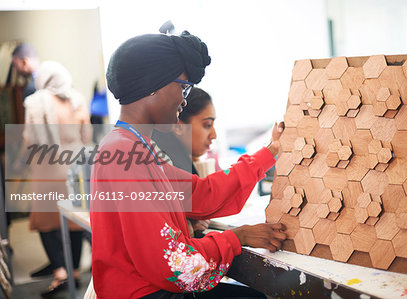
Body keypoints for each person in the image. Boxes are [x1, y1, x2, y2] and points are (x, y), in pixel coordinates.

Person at [90, 31, 286, 298]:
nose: (184, 99)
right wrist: (237, 237)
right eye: (183, 87)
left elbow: (201, 194)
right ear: (153, 85)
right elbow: (174, 264)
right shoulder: (124, 153)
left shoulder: (134, 146)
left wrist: (269, 152)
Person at [22, 61, 92, 296]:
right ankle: (73, 271)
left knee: (45, 222)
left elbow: (29, 138)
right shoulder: (77, 99)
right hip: (75, 168)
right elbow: (87, 135)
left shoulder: (35, 101)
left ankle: (60, 271)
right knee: (73, 220)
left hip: (47, 168)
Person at [152, 87, 217, 237]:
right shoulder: (167, 164)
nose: (214, 135)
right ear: (179, 126)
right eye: (207, 125)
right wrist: (187, 224)